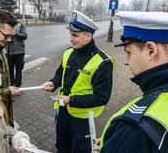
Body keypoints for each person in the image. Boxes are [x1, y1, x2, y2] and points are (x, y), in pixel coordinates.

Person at [94, 11, 168, 153]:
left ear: (151, 50)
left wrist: (124, 141)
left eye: (128, 53)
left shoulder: (137, 126)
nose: (126, 62)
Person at [42, 10, 115, 153]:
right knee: (62, 146)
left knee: (80, 150)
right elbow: (60, 73)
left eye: (75, 35)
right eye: (71, 34)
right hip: (63, 111)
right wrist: (53, 83)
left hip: (83, 119)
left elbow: (102, 98)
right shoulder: (69, 52)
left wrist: (72, 100)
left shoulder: (103, 62)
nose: (71, 39)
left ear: (88, 36)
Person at [6, 21, 27, 87]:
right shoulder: (5, 25)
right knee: (10, 71)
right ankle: (11, 86)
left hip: (19, 52)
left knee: (18, 71)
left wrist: (15, 34)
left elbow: (24, 36)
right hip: (9, 52)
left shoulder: (20, 25)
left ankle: (17, 86)